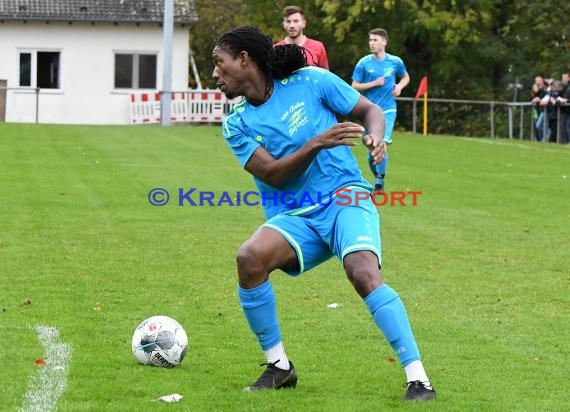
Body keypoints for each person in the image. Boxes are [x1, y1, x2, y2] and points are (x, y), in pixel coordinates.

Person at [212, 26, 436, 401]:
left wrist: (376, 137)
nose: (215, 74)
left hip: (345, 196)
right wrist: (316, 143)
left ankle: (418, 379)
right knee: (249, 258)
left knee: (363, 272)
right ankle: (279, 367)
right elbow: (274, 175)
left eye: (220, 64)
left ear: (244, 60)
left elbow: (369, 110)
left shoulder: (310, 81)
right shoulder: (236, 123)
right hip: (296, 214)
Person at [351, 28, 410, 192]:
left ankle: (379, 183)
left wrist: (399, 86)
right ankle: (378, 175)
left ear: (384, 42)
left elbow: (406, 77)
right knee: (371, 149)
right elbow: (354, 86)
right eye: (370, 40)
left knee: (381, 143)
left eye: (375, 40)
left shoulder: (395, 62)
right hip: (369, 113)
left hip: (388, 110)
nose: (372, 43)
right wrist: (373, 84)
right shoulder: (363, 63)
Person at [274, 5, 329, 69]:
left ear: (304, 23)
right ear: (284, 24)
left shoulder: (318, 47)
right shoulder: (275, 49)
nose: (292, 25)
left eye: (296, 21)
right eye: (288, 21)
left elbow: (325, 75)